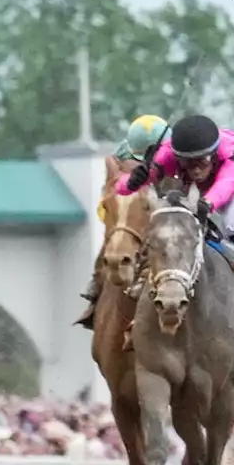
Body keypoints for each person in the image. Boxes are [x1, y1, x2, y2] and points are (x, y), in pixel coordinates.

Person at [118, 114, 234, 319]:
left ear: (214, 154)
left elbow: (226, 184)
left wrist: (208, 202)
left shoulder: (232, 152)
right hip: (201, 192)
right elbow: (121, 190)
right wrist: (131, 182)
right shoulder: (165, 156)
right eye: (188, 162)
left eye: (202, 160)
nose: (195, 168)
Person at [75, 115, 170, 329]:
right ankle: (95, 290)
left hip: (228, 193)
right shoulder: (121, 156)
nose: (143, 159)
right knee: (115, 242)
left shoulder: (176, 156)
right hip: (132, 205)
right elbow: (115, 192)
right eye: (138, 155)